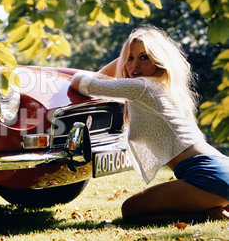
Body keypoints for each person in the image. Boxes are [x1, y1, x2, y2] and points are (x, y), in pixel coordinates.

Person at [70, 25, 229, 223]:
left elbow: (84, 83)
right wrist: (125, 58)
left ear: (158, 60)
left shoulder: (141, 86)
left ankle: (208, 213)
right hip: (220, 167)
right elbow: (102, 77)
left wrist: (73, 74)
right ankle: (213, 207)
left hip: (206, 174)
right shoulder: (167, 87)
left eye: (144, 57)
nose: (134, 65)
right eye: (130, 58)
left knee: (130, 209)